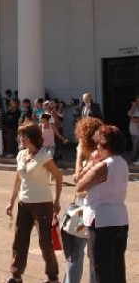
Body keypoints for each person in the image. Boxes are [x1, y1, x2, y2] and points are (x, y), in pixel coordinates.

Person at [5, 121, 62, 283]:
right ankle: (16, 275)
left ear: (32, 137)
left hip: (43, 204)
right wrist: (11, 201)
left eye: (23, 135)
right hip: (24, 203)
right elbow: (18, 178)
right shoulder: (21, 154)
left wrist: (57, 201)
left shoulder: (44, 156)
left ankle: (52, 277)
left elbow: (59, 177)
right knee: (19, 240)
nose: (20, 138)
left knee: (45, 243)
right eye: (20, 135)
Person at [76, 125, 128, 283]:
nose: (96, 147)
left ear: (104, 144)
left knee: (100, 268)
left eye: (98, 144)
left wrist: (91, 162)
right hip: (120, 219)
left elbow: (79, 185)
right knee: (117, 266)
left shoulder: (103, 166)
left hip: (101, 221)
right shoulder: (122, 162)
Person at [61, 117, 103, 283]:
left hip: (90, 210)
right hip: (85, 208)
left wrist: (78, 154)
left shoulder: (96, 157)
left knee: (87, 257)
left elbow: (79, 182)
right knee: (77, 256)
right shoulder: (94, 157)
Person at [127, 95, 139, 164]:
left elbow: (133, 119)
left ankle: (134, 158)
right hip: (133, 129)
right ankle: (134, 158)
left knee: (136, 143)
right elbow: (130, 115)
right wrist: (134, 106)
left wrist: (135, 119)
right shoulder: (133, 107)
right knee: (135, 144)